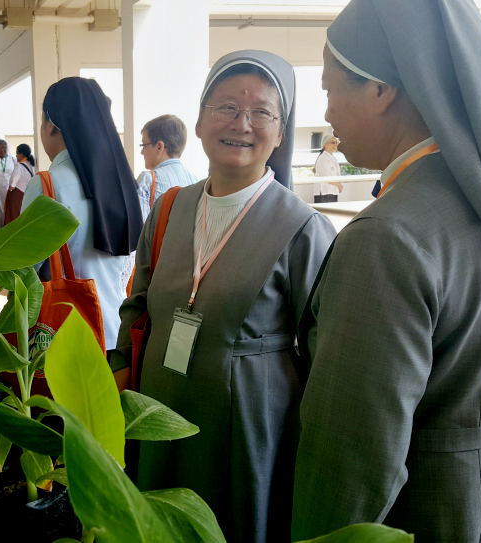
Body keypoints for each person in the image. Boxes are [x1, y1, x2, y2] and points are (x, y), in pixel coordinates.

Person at [291, 1, 481, 541]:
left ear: (381, 90)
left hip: (434, 514)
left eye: (330, 89)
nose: (325, 112)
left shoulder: (386, 238)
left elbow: (353, 460)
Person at [113, 51, 335, 542]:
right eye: (227, 107)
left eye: (262, 112)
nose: (242, 123)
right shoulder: (170, 207)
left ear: (280, 133)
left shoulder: (304, 228)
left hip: (250, 423)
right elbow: (137, 306)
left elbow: (324, 353)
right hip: (159, 403)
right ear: (199, 119)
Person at [21, 77, 142, 351]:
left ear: (51, 124)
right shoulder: (125, 184)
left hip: (64, 337)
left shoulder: (48, 185)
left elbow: (22, 269)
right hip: (116, 335)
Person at [136, 114, 197, 220]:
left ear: (159, 147)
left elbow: (139, 230)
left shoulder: (148, 180)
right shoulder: (197, 181)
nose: (142, 152)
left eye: (144, 145)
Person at [4, 143, 35, 225]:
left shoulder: (19, 166)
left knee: (14, 217)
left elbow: (12, 184)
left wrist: (10, 188)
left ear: (22, 154)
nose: (16, 156)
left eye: (17, 153)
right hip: (28, 194)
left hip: (17, 196)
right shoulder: (32, 165)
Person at [312, 134, 342, 203]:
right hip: (323, 192)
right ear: (325, 145)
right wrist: (339, 186)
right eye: (332, 143)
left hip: (332, 191)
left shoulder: (333, 158)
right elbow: (326, 177)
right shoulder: (323, 158)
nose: (335, 145)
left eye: (336, 142)